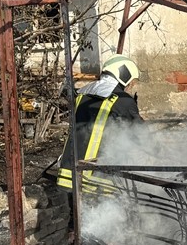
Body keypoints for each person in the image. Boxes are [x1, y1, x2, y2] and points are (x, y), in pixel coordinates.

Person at [57, 54, 143, 195]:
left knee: (73, 209)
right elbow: (140, 134)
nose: (130, 87)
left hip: (69, 175)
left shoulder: (83, 93)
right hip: (98, 182)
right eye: (131, 82)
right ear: (124, 75)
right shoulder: (123, 100)